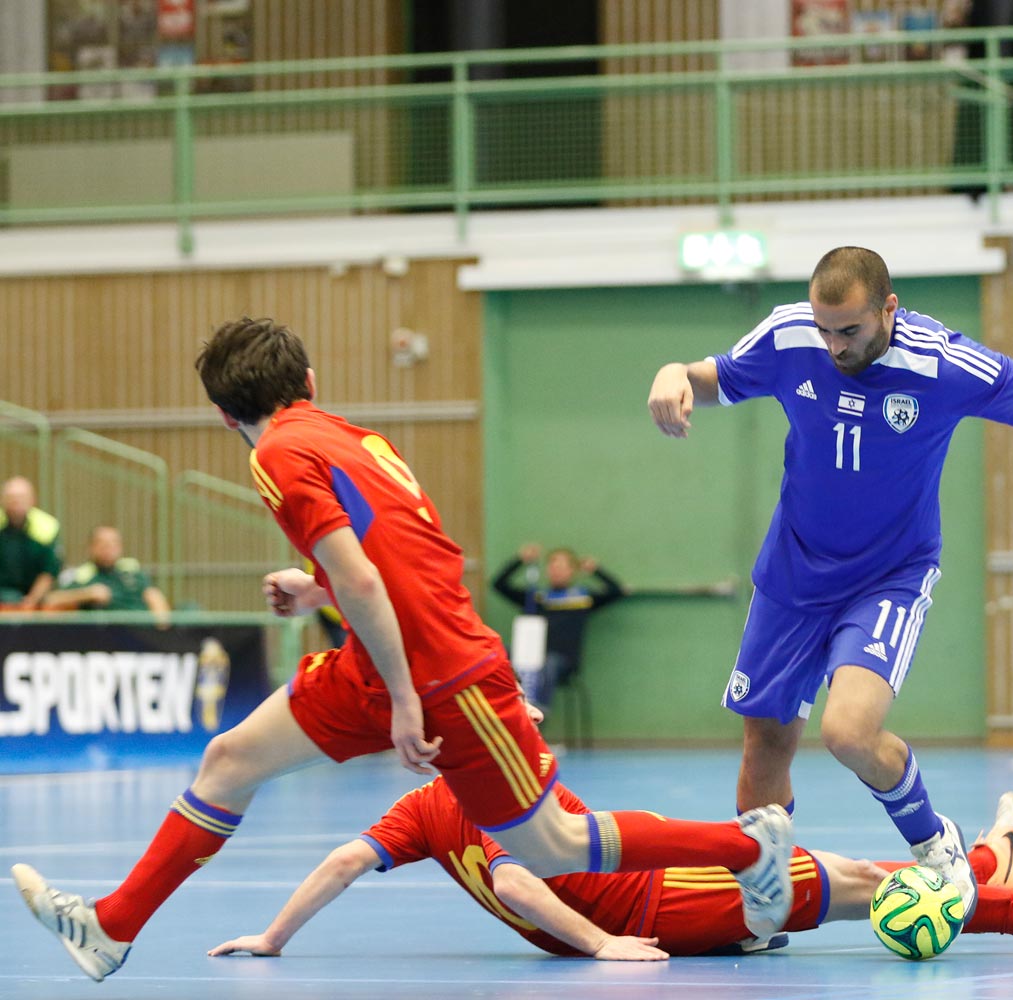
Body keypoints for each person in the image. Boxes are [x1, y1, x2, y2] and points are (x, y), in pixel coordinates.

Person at [11, 316, 794, 982]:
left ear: (223, 414)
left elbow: (369, 575)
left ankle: (746, 847)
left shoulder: (275, 455)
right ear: (309, 381)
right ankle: (113, 928)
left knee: (552, 845)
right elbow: (407, 558)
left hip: (443, 674)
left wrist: (405, 693)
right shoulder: (348, 437)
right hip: (377, 661)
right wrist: (318, 590)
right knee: (229, 760)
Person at [646, 246, 1013, 921]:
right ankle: (763, 904)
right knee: (765, 742)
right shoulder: (790, 334)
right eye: (824, 329)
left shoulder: (942, 363)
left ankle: (937, 846)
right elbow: (710, 377)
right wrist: (671, 372)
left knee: (849, 733)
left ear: (888, 309)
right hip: (792, 574)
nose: (832, 346)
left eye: (850, 331)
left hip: (887, 578)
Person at [207, 780, 1013, 960]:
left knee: (841, 872)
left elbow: (341, 859)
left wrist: (275, 937)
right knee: (861, 887)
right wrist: (603, 945)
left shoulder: (421, 807)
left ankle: (992, 861)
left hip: (662, 875)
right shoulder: (474, 798)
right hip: (659, 900)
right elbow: (518, 883)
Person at [491, 542, 624, 713]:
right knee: (499, 652)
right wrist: (520, 560)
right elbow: (499, 585)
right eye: (552, 565)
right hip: (530, 656)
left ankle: (537, 714)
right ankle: (498, 709)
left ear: (572, 571)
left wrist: (595, 570)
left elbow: (616, 591)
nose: (556, 570)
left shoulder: (582, 599)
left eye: (561, 566)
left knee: (547, 663)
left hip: (562, 661)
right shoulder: (536, 598)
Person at [42, 525, 172, 625]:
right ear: (91, 547)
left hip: (143, 634)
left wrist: (162, 625)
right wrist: (87, 594)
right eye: (102, 544)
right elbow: (51, 600)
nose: (108, 548)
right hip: (105, 639)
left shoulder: (131, 570)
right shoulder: (83, 575)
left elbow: (153, 596)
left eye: (113, 543)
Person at [0, 475, 62, 610]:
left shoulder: (47, 527)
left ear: (32, 500)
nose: (15, 502)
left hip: (36, 600)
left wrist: (31, 601)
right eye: (11, 497)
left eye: (21, 497)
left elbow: (48, 571)